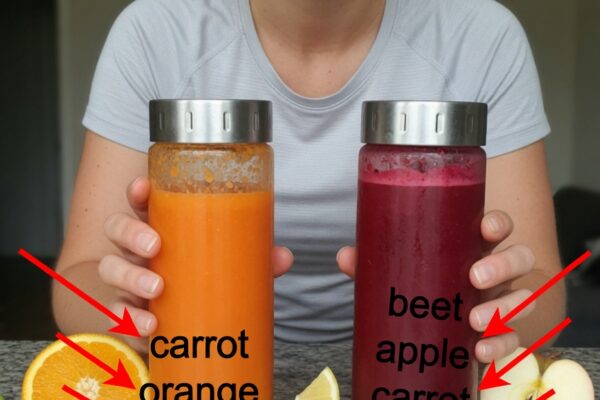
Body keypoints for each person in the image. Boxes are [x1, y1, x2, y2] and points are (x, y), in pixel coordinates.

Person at [53, 0, 565, 365]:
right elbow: (77, 280)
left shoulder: (483, 35)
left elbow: (543, 291)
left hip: (412, 364)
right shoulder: (154, 31)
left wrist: (485, 317)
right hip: (210, 364)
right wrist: (140, 312)